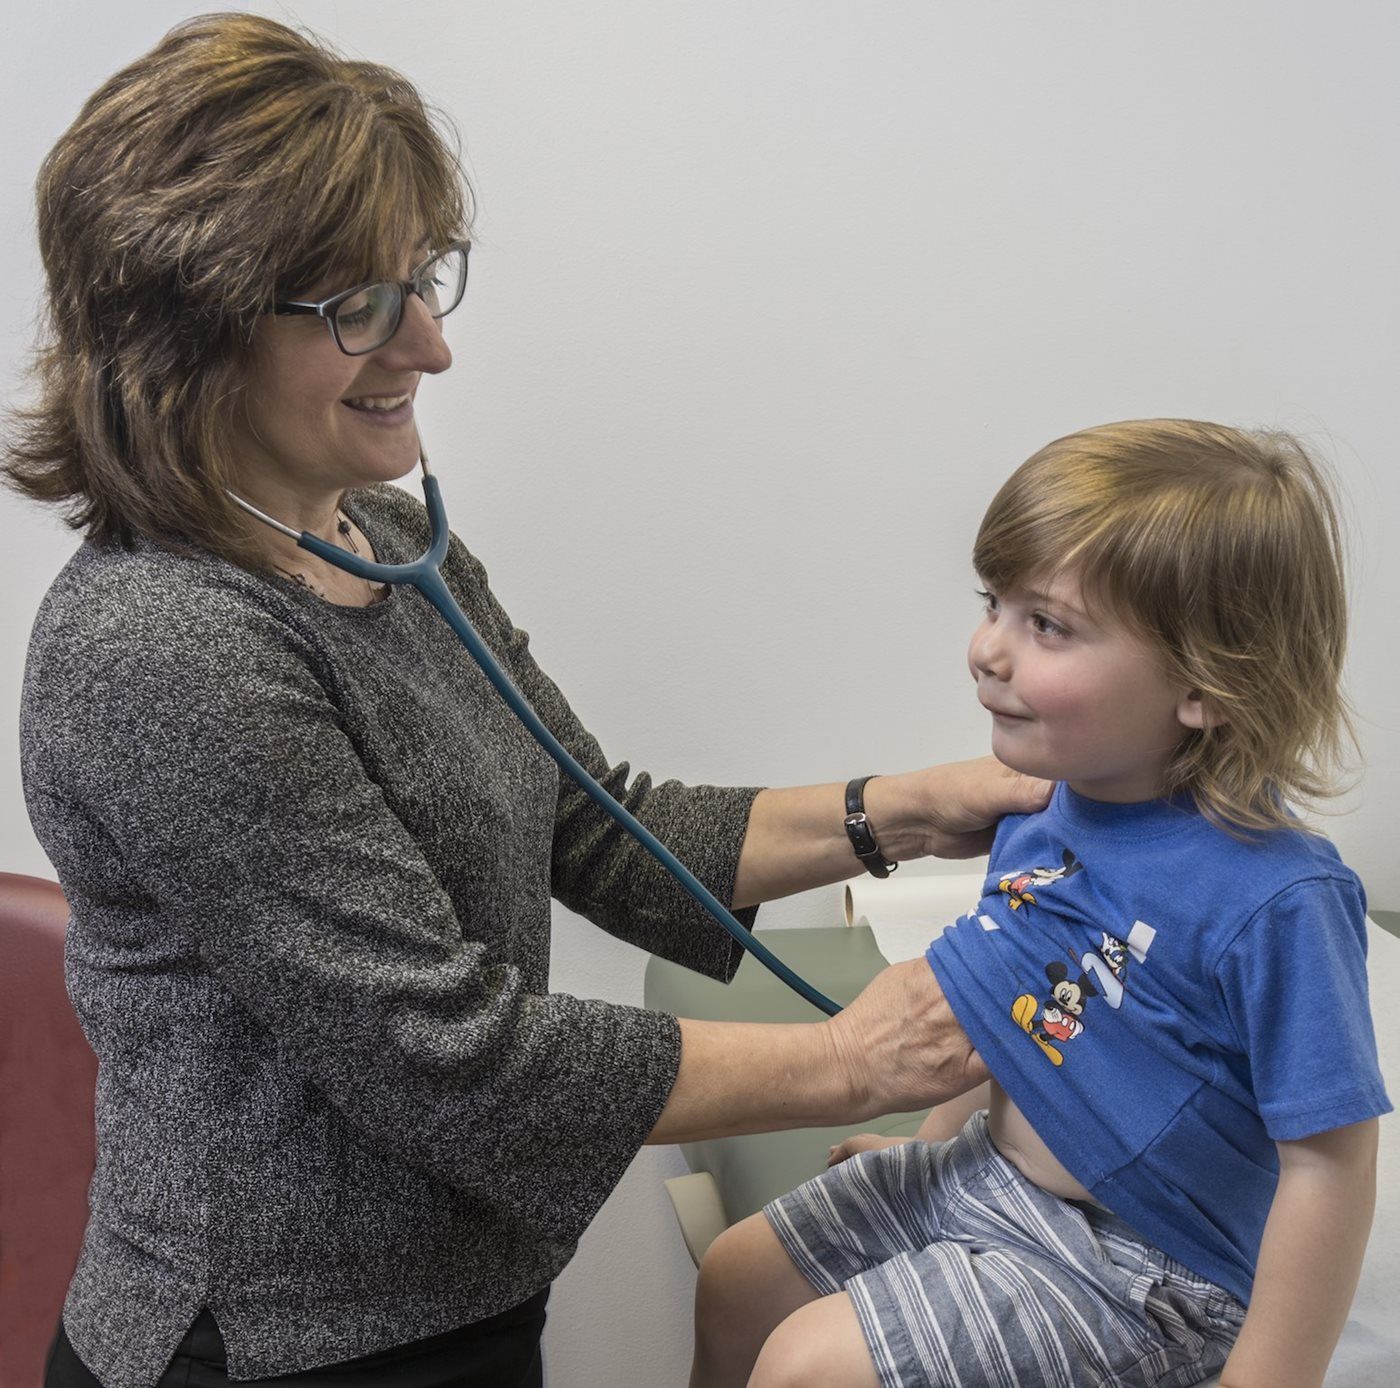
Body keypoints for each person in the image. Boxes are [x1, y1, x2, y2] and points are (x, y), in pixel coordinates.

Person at [4, 14, 1051, 1388]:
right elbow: (456, 1060)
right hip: (280, 1346)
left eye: (423, 281)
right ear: (181, 338)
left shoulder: (377, 538)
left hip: (464, 1297)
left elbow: (603, 825)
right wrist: (856, 1062)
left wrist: (912, 810)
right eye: (359, 309)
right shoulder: (162, 651)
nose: (429, 347)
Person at [691, 419, 1391, 1388]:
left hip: (1137, 1267)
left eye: (1045, 624)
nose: (986, 647)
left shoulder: (1276, 898)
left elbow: (1330, 1161)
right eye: (993, 604)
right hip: (986, 1169)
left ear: (1204, 682)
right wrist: (923, 1148)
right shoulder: (1043, 805)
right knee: (734, 1278)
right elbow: (1010, 1010)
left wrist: (1267, 1375)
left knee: (806, 1365)